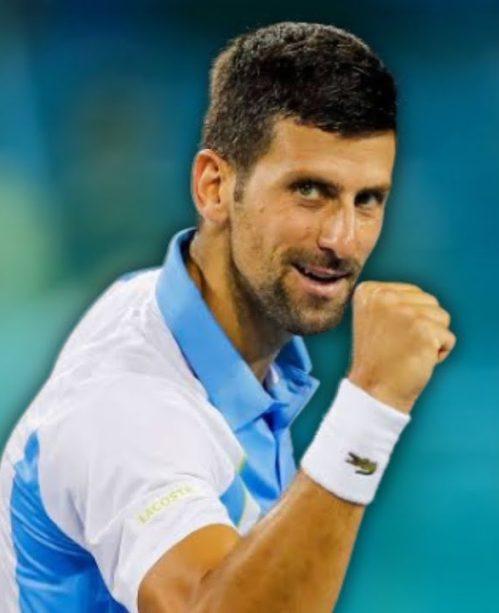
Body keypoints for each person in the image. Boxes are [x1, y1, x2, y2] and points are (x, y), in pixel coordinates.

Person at [0, 22, 455, 612]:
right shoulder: (125, 406)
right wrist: (371, 406)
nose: (342, 239)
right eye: (309, 191)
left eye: (367, 199)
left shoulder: (186, 316)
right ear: (214, 187)